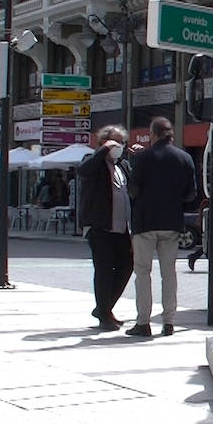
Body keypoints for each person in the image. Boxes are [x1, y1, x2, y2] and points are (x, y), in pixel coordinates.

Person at [125, 117, 197, 338]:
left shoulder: (142, 158)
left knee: (143, 273)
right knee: (169, 272)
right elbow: (191, 194)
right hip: (171, 222)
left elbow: (133, 189)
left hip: (145, 222)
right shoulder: (185, 158)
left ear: (153, 134)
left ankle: (143, 323)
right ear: (171, 135)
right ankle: (168, 322)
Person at [78, 125, 134, 330]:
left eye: (121, 143)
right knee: (103, 270)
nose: (118, 146)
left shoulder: (123, 166)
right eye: (114, 142)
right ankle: (104, 315)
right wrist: (102, 151)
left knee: (127, 265)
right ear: (103, 143)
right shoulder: (93, 162)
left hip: (122, 227)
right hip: (100, 226)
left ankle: (104, 307)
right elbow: (83, 171)